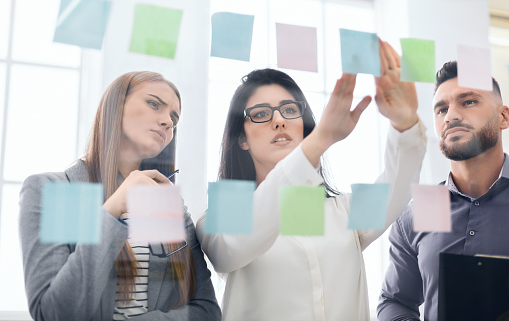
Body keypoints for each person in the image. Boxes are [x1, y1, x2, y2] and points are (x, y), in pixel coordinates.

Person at [196, 40, 427, 320]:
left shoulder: (343, 213)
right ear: (241, 139)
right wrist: (318, 142)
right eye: (260, 114)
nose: (279, 120)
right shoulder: (221, 219)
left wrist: (405, 124)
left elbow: (398, 183)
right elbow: (230, 250)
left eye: (290, 110)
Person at [19, 71, 221, 321]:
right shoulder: (55, 190)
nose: (168, 121)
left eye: (174, 117)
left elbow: (207, 310)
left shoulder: (168, 204)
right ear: (116, 106)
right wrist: (110, 212)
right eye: (154, 104)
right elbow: (52, 313)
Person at [377, 61, 509, 321]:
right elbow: (394, 301)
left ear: (503, 116)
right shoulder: (419, 211)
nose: (451, 116)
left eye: (468, 102)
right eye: (441, 109)